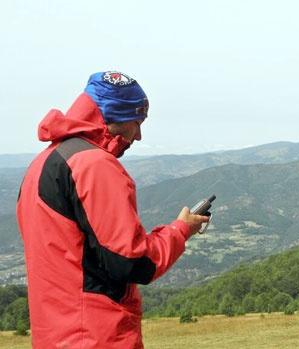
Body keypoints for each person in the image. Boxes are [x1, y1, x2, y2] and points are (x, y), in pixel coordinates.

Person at [16, 71, 210, 348]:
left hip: (54, 334)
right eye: (137, 122)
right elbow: (133, 263)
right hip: (96, 334)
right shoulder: (95, 165)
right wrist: (182, 230)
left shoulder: (43, 163)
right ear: (115, 115)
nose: (139, 135)